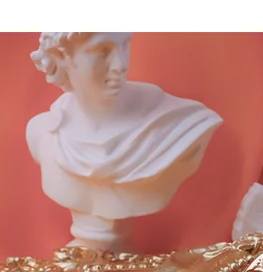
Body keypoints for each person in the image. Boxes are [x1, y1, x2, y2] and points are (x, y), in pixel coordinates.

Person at [27, 32, 223, 251]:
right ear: (61, 57)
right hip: (78, 263)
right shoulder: (42, 133)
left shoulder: (180, 126)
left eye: (124, 46)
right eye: (103, 51)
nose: (120, 65)